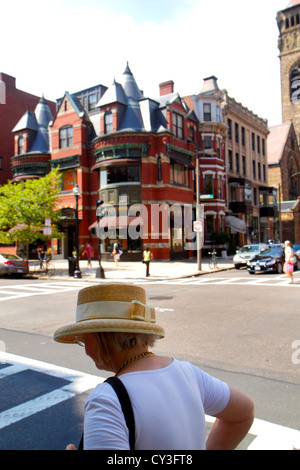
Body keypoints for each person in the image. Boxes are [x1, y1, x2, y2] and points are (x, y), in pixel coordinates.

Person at [53, 284, 254, 451]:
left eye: (83, 338)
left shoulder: (107, 400)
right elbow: (244, 412)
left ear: (101, 336)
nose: (84, 348)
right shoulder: (189, 373)